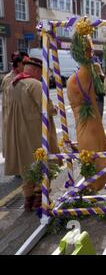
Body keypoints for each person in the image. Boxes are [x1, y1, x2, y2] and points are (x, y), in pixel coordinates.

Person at [4, 57, 59, 211]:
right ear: (36, 70)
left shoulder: (12, 84)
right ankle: (39, 199)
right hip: (35, 132)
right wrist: (55, 109)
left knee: (26, 166)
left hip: (18, 132)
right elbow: (47, 108)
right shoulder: (35, 84)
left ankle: (28, 200)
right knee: (42, 163)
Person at [1, 52, 26, 158]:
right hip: (12, 117)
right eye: (24, 64)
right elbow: (8, 103)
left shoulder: (23, 76)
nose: (25, 67)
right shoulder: (9, 79)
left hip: (21, 116)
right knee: (13, 143)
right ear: (19, 64)